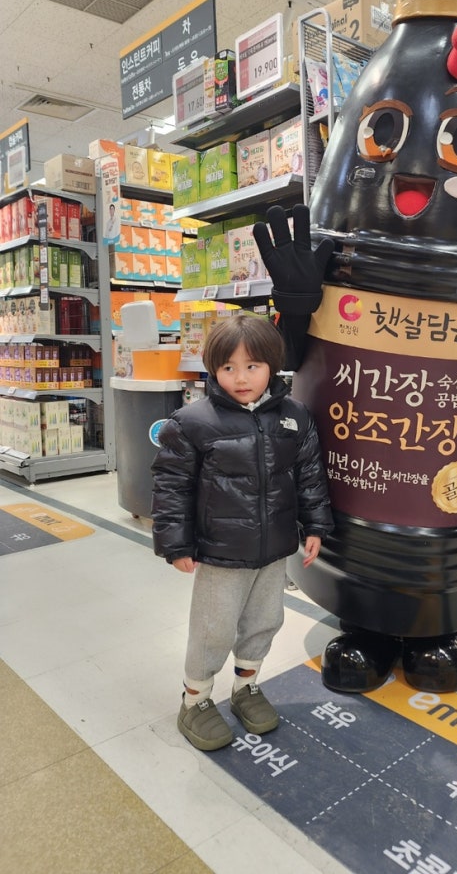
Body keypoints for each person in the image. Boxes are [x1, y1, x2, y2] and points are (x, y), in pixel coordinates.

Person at [151, 313, 333, 752]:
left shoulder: (294, 417)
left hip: (275, 548)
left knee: (264, 621)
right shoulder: (192, 422)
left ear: (272, 365)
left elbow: (309, 475)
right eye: (228, 367)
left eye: (252, 366)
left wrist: (316, 525)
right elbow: (172, 486)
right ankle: (195, 700)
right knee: (213, 629)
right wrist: (176, 544)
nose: (241, 378)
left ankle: (246, 687)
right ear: (213, 369)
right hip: (220, 552)